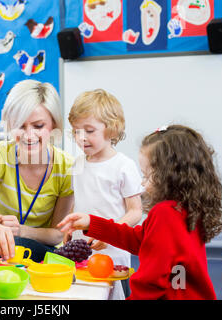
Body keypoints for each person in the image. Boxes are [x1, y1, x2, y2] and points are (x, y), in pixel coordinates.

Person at [58, 124, 222, 300]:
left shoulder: (166, 213)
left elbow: (150, 282)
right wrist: (93, 223)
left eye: (147, 176)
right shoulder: (185, 209)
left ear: (170, 176)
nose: (142, 183)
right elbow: (141, 241)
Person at [0, 79, 74, 262]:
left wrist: (21, 231)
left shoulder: (67, 167)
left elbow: (57, 235)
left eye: (38, 126)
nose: (29, 135)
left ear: (54, 125)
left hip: (41, 252)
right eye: (20, 126)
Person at [67, 89, 143, 299]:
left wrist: (109, 234)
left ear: (111, 130)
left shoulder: (124, 166)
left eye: (89, 130)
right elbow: (80, 203)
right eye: (76, 131)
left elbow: (135, 211)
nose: (81, 138)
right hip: (83, 253)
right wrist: (70, 229)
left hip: (114, 255)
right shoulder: (77, 164)